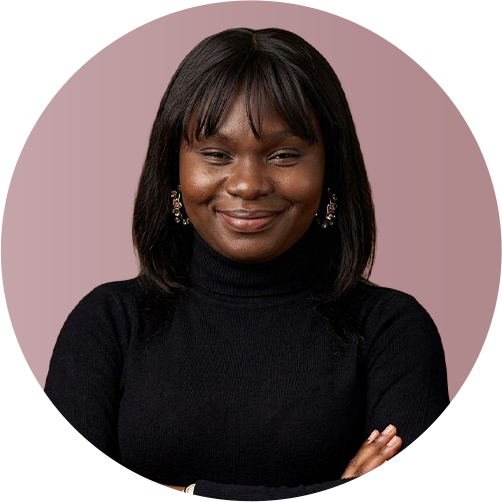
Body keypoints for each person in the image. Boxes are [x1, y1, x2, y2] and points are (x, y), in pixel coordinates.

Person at [20, 28, 460, 502]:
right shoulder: (109, 321)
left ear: (330, 168)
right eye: (216, 154)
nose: (248, 184)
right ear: (174, 169)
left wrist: (182, 499)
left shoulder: (390, 328)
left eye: (284, 155)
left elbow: (419, 494)